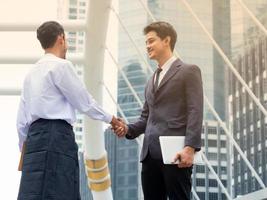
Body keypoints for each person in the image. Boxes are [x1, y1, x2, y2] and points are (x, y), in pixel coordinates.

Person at [16, 21, 123, 200]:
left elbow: (21, 121)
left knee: (33, 194)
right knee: (60, 190)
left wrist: (25, 151)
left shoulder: (31, 74)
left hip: (34, 141)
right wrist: (111, 119)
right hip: (57, 137)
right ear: (61, 38)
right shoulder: (61, 66)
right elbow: (85, 102)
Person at [114, 21, 203, 200]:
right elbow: (146, 118)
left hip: (175, 153)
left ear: (167, 40)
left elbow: (196, 110)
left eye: (151, 41)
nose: (147, 46)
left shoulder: (188, 71)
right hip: (149, 155)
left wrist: (190, 147)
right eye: (146, 42)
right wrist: (127, 129)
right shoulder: (151, 80)